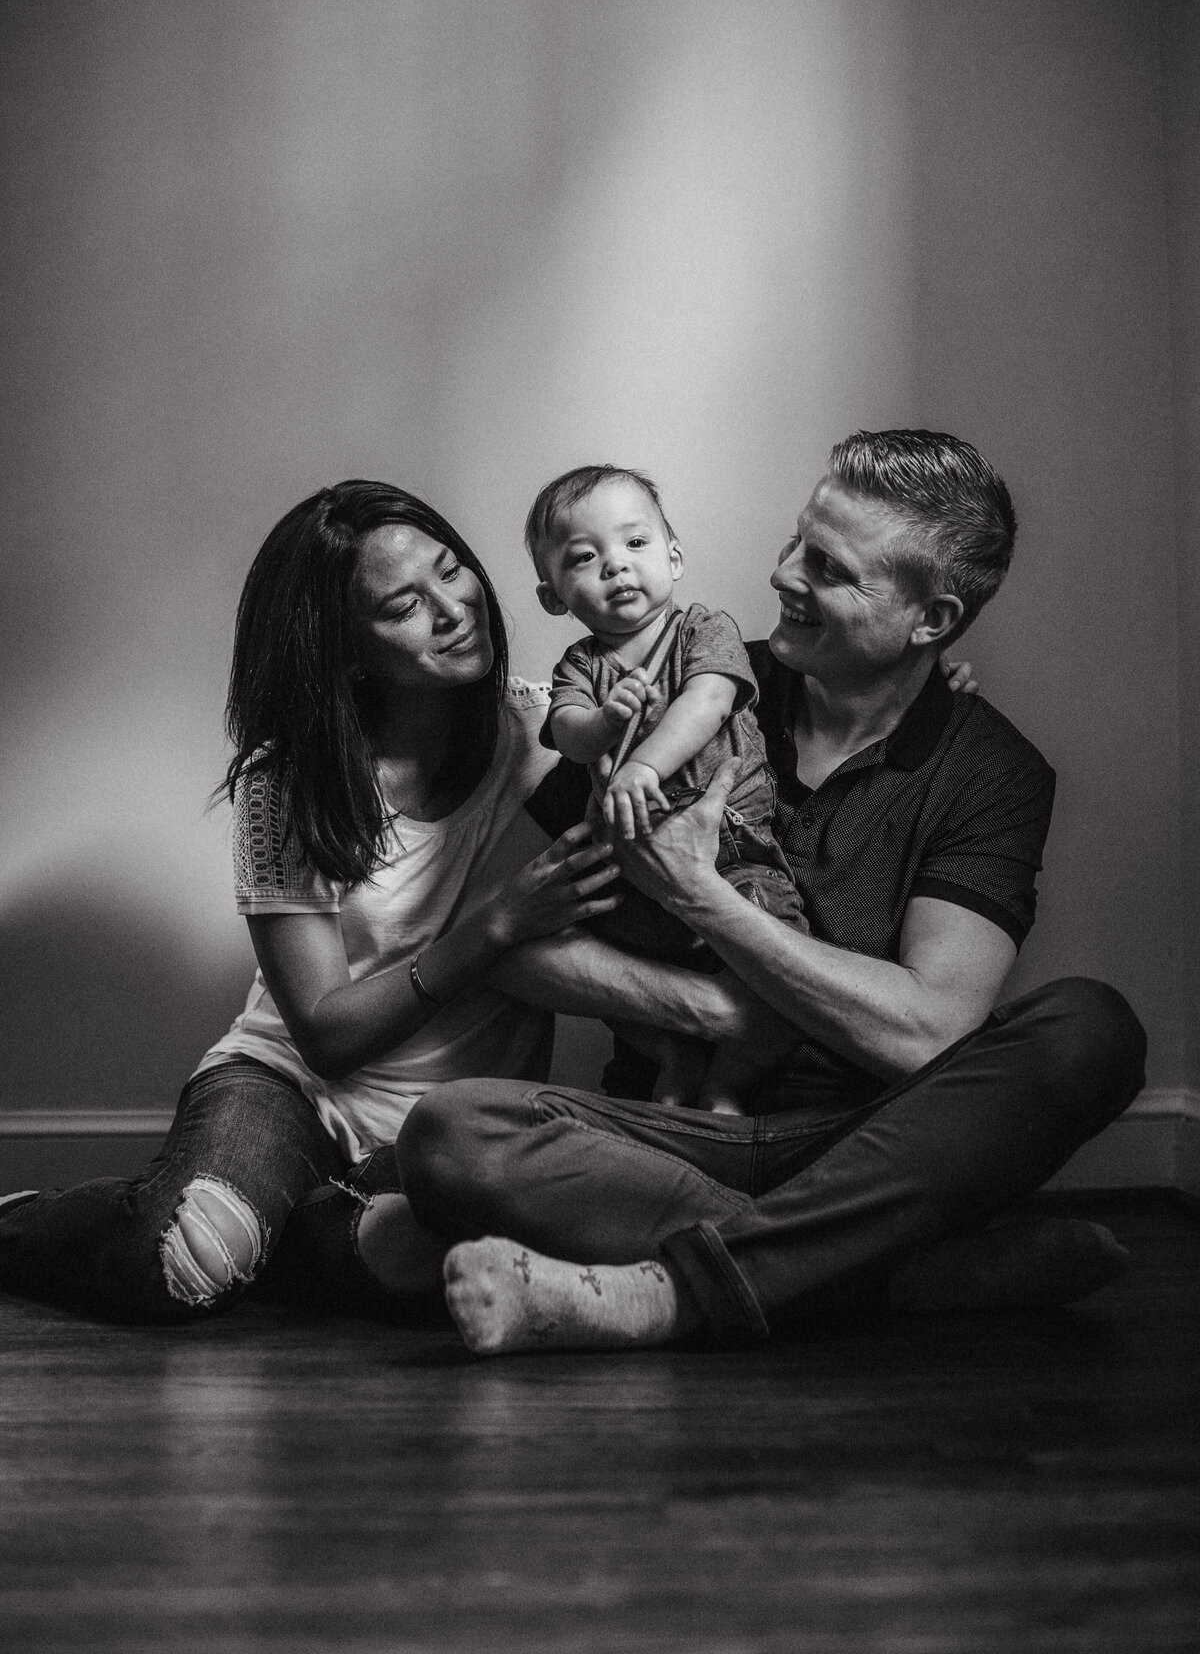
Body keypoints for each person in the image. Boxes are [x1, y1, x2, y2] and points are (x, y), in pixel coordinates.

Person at [396, 431, 1147, 1356]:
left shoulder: (993, 773)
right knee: (449, 1134)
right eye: (797, 540)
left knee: (1092, 1031)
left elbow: (926, 1034)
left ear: (930, 620)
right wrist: (715, 1012)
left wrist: (703, 898)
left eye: (827, 568)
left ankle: (667, 1293)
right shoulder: (688, 680)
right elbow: (501, 933)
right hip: (673, 1132)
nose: (783, 573)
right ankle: (894, 1273)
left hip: (878, 1143)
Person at [0, 480, 625, 1324]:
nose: (453, 609)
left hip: (454, 1120)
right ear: (348, 650)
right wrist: (498, 923)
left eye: (453, 571)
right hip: (289, 1085)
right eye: (405, 604)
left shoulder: (551, 739)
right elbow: (326, 1034)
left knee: (417, 1264)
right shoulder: (288, 781)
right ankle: (28, 1223)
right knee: (185, 1265)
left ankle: (269, 1229)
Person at [525, 462, 807, 1112]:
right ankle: (674, 1061)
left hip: (738, 864)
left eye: (635, 543)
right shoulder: (579, 667)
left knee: (785, 973)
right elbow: (567, 732)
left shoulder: (705, 630)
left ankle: (727, 1088)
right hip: (633, 881)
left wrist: (643, 766)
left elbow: (707, 701)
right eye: (585, 558)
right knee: (607, 972)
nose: (616, 566)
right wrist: (602, 722)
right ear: (553, 596)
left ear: (674, 556)